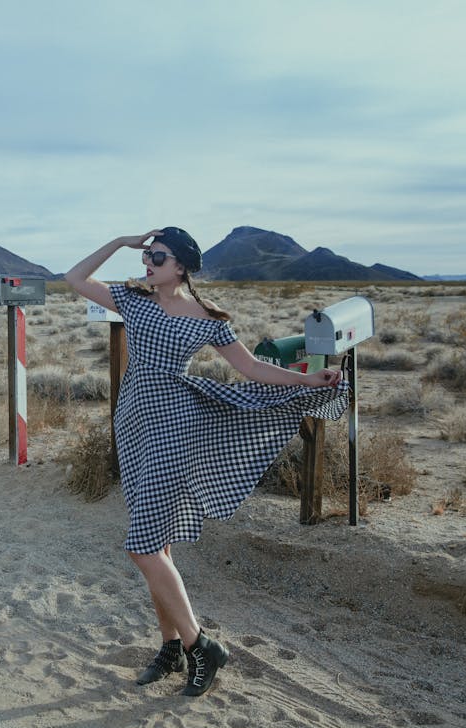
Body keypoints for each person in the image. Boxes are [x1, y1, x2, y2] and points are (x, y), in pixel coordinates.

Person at [65, 227, 349, 697]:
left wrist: (307, 380)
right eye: (148, 257)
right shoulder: (133, 301)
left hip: (177, 425)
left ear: (181, 267)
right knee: (159, 543)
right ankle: (171, 647)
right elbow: (74, 277)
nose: (148, 264)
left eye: (158, 257)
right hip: (134, 423)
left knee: (141, 547)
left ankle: (202, 646)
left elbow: (252, 369)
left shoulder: (208, 317)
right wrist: (119, 242)